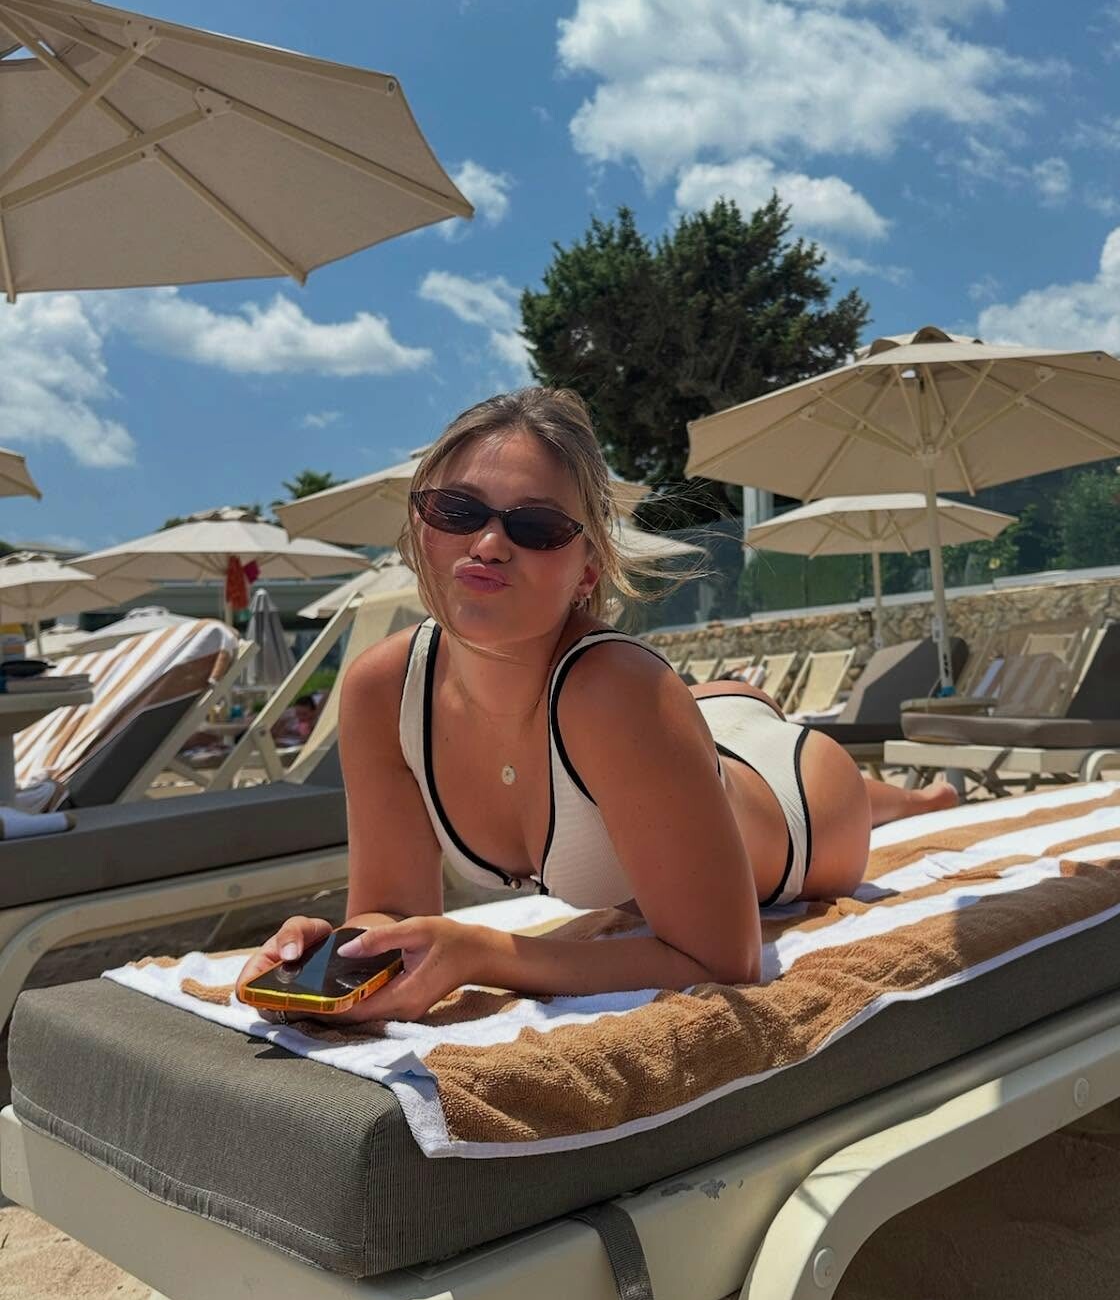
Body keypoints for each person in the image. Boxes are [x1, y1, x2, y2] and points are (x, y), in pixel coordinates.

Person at [235, 387, 957, 1022]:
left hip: (796, 794)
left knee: (847, 799)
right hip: (681, 732)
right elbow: (392, 911)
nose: (488, 543)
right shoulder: (381, 690)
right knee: (689, 737)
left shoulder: (619, 691)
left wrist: (483, 953)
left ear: (588, 571)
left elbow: (724, 959)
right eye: (456, 510)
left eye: (537, 526)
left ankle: (911, 799)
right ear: (419, 528)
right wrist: (334, 950)